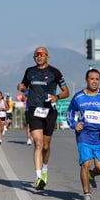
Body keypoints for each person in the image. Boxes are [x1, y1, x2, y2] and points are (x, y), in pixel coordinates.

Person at [17, 46, 69, 190]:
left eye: (41, 55)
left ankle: (44, 170)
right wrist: (20, 87)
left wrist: (56, 97)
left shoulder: (55, 72)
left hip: (49, 111)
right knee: (38, 143)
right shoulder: (29, 71)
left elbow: (66, 92)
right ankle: (39, 177)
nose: (39, 57)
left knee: (46, 146)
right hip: (34, 110)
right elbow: (24, 86)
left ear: (47, 56)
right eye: (36, 55)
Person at [66, 68, 100, 200]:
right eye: (92, 79)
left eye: (97, 79)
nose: (94, 81)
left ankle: (92, 175)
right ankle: (86, 194)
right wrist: (74, 124)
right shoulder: (78, 97)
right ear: (86, 80)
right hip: (84, 136)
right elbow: (69, 113)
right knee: (85, 163)